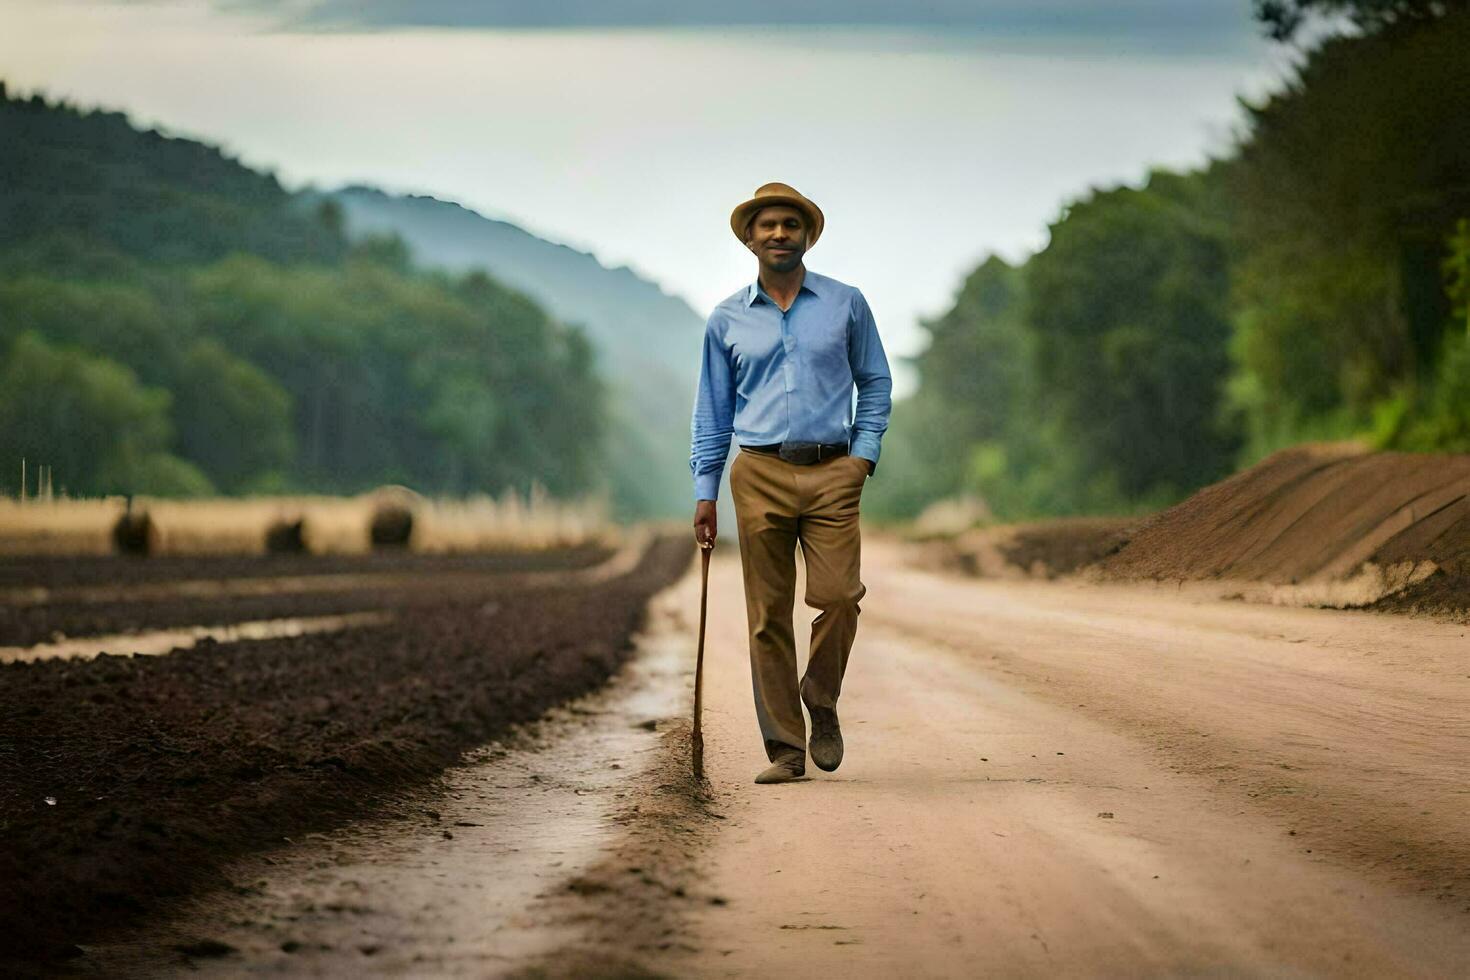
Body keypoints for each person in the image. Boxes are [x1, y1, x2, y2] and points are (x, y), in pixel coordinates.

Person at [690, 182, 893, 785]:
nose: (779, 233)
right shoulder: (726, 318)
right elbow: (712, 411)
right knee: (766, 615)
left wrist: (862, 457)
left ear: (806, 235)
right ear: (750, 238)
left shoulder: (846, 304)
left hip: (835, 470)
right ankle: (785, 748)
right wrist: (705, 490)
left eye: (790, 224)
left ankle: (820, 695)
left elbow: (875, 382)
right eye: (768, 225)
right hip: (758, 472)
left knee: (838, 597)